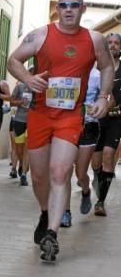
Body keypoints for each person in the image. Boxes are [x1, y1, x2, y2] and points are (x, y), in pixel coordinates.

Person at [7, 0, 113, 262]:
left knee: (60, 172)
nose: (68, 10)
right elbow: (13, 60)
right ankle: (45, 212)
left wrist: (103, 96)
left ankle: (52, 233)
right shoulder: (40, 35)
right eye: (63, 5)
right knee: (40, 176)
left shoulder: (95, 39)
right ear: (58, 8)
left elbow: (107, 67)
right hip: (40, 113)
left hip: (69, 116)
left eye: (74, 6)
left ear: (83, 9)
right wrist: (28, 80)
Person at [60, 65, 101, 225]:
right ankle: (66, 212)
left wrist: (99, 106)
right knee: (65, 171)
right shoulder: (68, 70)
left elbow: (108, 99)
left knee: (80, 173)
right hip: (67, 125)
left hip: (89, 127)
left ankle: (86, 190)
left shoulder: (97, 75)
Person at [91, 33, 121, 216]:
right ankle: (97, 177)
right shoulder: (96, 68)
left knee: (109, 155)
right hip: (97, 119)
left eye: (116, 43)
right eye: (109, 42)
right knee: (95, 162)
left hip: (116, 119)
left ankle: (100, 202)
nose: (113, 45)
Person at [9, 66, 34, 186]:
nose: (33, 73)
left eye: (35, 72)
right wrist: (20, 102)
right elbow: (11, 101)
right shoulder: (20, 86)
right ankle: (21, 164)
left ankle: (24, 174)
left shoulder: (39, 88)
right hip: (19, 120)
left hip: (32, 121)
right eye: (31, 71)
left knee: (27, 148)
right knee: (19, 150)